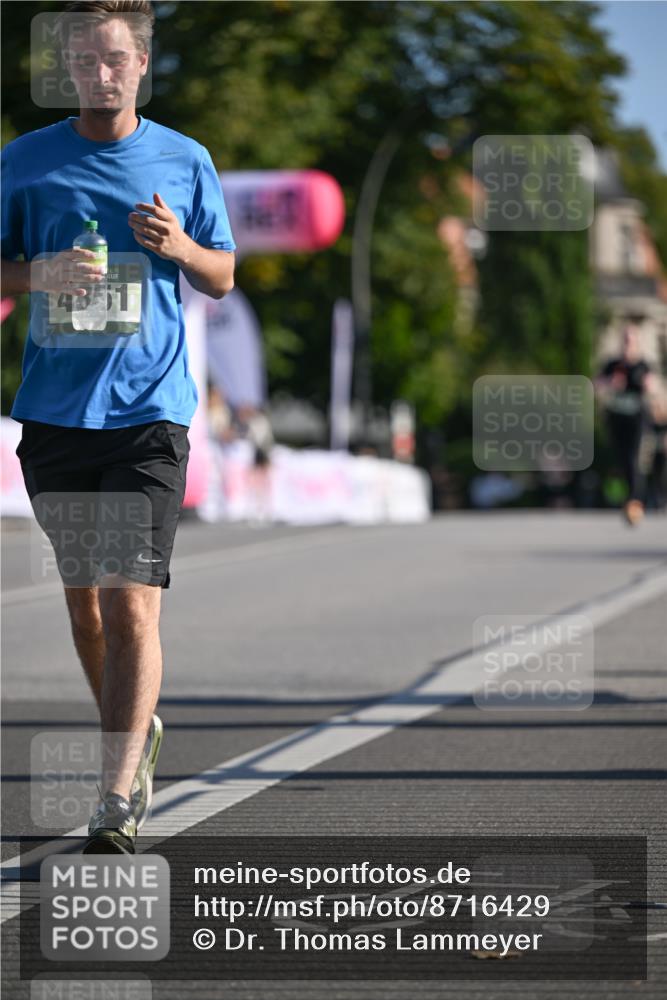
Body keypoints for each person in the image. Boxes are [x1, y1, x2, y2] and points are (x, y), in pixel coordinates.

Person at [1, 0, 235, 852]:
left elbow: (222, 275)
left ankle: (115, 794)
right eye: (84, 61)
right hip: (57, 414)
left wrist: (180, 247)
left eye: (114, 60)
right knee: (87, 612)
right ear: (68, 68)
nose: (99, 75)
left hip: (149, 413)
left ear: (141, 65)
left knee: (129, 603)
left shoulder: (185, 158)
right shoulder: (24, 162)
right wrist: (41, 274)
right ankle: (136, 732)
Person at [594, 319, 659, 526]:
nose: (627, 344)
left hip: (636, 419)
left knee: (633, 457)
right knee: (622, 459)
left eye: (631, 340)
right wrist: (609, 383)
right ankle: (627, 499)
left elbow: (654, 387)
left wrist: (648, 385)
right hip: (616, 418)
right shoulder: (613, 365)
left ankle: (635, 501)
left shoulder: (643, 365)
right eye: (625, 339)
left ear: (636, 342)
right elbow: (595, 385)